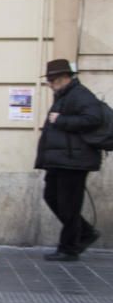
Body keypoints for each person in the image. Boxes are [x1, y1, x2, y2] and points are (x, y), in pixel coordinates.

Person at [34, 58, 103, 261]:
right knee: (52, 197)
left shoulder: (80, 95)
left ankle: (69, 248)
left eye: (52, 80)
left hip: (74, 160)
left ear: (64, 78)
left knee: (68, 205)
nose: (49, 84)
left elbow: (94, 118)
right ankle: (85, 232)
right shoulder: (64, 95)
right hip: (61, 159)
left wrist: (62, 120)